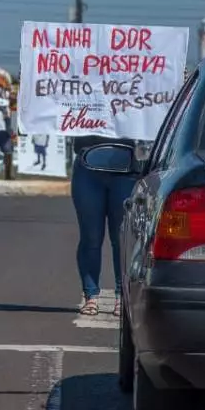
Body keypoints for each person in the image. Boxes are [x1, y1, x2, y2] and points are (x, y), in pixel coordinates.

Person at [71, 134, 138, 317]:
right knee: (91, 236)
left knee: (122, 238)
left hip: (125, 167)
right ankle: (90, 295)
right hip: (87, 165)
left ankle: (121, 295)